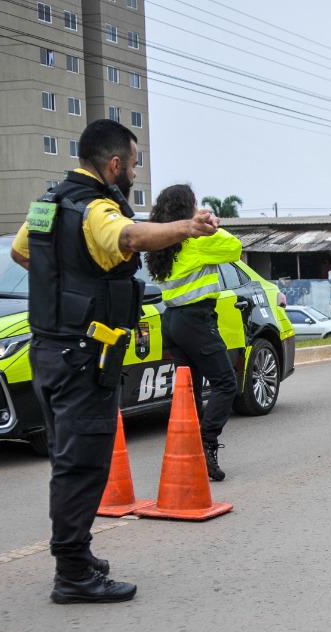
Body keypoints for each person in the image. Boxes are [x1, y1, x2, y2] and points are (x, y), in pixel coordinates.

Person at [10, 119, 218, 604]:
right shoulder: (96, 209)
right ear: (115, 164)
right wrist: (188, 226)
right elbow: (129, 239)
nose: (135, 171)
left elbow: (25, 255)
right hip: (83, 355)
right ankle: (74, 573)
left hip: (49, 348)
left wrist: (67, 284)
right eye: (134, 162)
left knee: (69, 458)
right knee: (81, 465)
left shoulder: (48, 204)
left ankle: (76, 557)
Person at [144, 183, 243, 482]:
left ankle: (193, 456)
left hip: (172, 321)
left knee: (190, 391)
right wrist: (211, 224)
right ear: (187, 210)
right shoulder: (196, 242)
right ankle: (207, 441)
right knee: (226, 382)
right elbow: (235, 249)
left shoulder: (163, 245)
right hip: (195, 321)